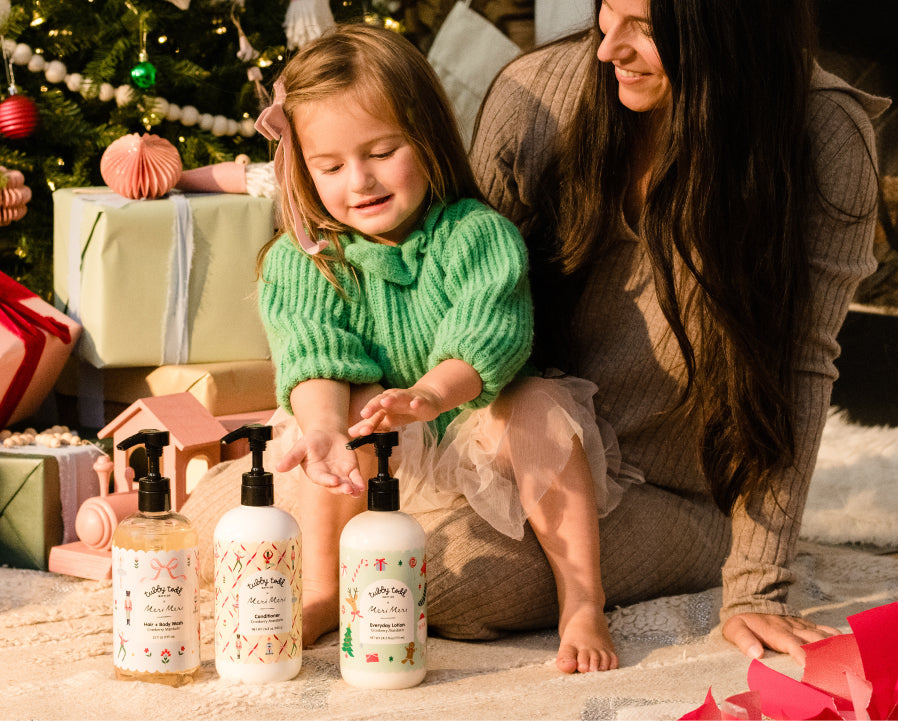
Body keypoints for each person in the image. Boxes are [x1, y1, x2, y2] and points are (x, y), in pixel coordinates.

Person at [459, 0, 889, 667]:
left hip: (664, 492)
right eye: (607, 10)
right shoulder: (537, 93)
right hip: (506, 447)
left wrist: (756, 585)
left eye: (648, 29)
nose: (608, 49)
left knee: (434, 579)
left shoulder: (823, 133)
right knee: (267, 519)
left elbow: (800, 363)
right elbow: (457, 297)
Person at [251, 23, 626, 672]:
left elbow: (488, 337)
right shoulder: (306, 259)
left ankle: (581, 598)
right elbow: (314, 355)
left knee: (539, 404)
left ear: (426, 138)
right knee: (344, 408)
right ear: (302, 168)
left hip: (471, 425)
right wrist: (320, 428)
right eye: (330, 166)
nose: (359, 181)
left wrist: (426, 395)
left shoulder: (475, 235)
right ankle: (319, 588)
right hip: (379, 446)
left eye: (381, 151)